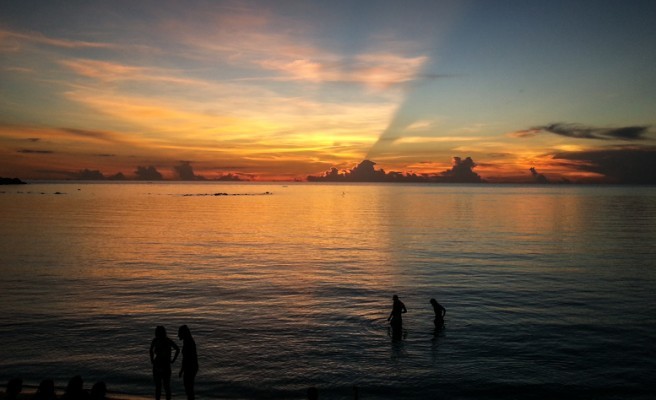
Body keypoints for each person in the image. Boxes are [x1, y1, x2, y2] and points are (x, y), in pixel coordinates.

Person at [150, 326, 180, 400]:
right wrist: (173, 360)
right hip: (163, 365)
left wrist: (152, 360)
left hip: (161, 365)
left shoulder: (158, 340)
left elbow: (177, 349)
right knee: (164, 387)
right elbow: (177, 349)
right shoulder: (165, 340)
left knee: (160, 387)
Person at [178, 325, 199, 400]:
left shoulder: (188, 342)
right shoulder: (188, 341)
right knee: (189, 387)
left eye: (179, 333)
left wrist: (182, 370)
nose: (178, 335)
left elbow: (186, 359)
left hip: (190, 367)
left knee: (188, 387)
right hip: (192, 366)